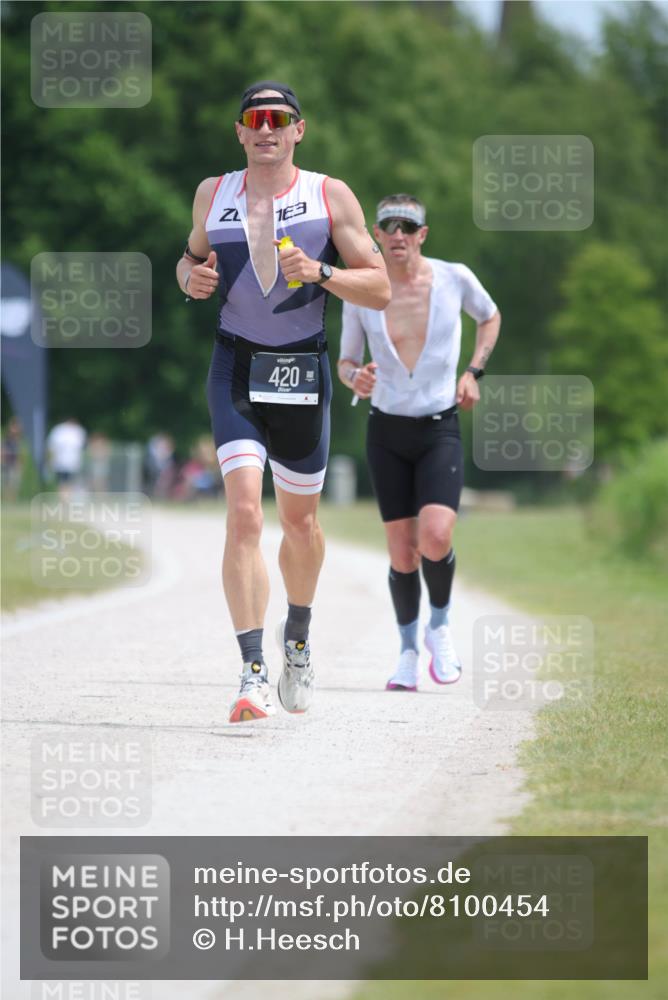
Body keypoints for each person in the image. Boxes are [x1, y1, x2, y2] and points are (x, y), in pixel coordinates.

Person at [176, 81, 390, 723]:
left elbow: (380, 288)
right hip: (235, 366)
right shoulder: (213, 194)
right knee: (244, 514)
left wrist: (323, 272)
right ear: (240, 132)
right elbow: (188, 262)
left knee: (300, 525)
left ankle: (296, 636)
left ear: (299, 129)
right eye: (255, 119)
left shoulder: (329, 195)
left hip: (302, 369)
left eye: (279, 118)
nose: (266, 128)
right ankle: (251, 671)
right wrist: (192, 280)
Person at [338, 194, 500, 692]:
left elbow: (490, 316)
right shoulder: (360, 289)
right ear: (376, 234)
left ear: (422, 235)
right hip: (386, 430)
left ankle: (440, 627)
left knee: (436, 535)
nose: (399, 235)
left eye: (408, 227)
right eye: (390, 225)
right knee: (402, 552)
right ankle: (408, 651)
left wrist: (473, 372)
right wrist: (356, 379)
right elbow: (346, 362)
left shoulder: (454, 278)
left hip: (438, 427)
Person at [46, 417, 86, 499]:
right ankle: (65, 499)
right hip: (62, 462)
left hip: (71, 462)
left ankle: (66, 498)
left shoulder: (77, 431)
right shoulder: (60, 430)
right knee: (64, 482)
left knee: (66, 482)